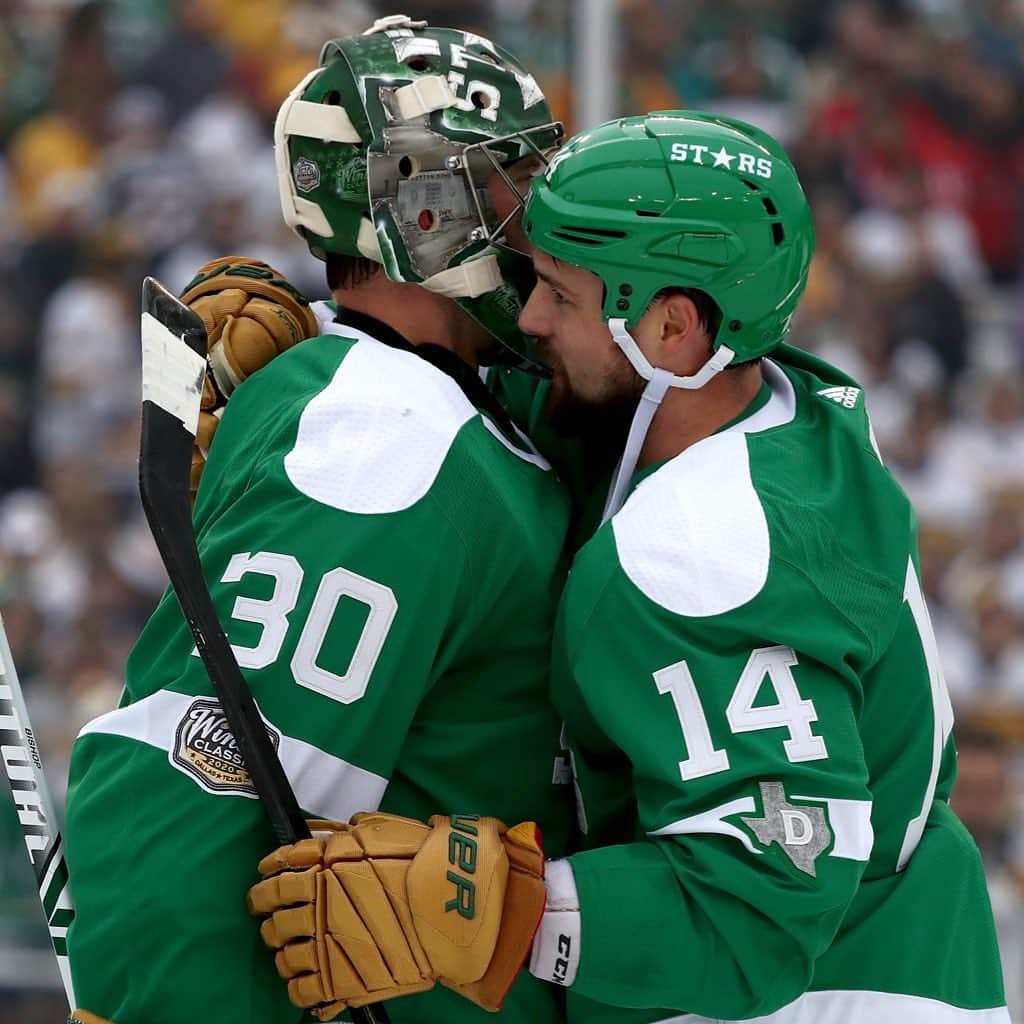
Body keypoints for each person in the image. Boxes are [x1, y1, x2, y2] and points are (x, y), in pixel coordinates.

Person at [248, 113, 1011, 1023]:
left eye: (561, 297)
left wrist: (500, 913)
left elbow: (763, 906)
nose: (528, 320)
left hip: (819, 997)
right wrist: (327, 343)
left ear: (673, 328)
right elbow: (555, 407)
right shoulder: (738, 405)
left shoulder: (708, 550)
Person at [64, 16, 572, 1024]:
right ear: (422, 206)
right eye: (510, 177)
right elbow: (207, 785)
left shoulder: (450, 411)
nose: (543, 212)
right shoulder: (382, 434)